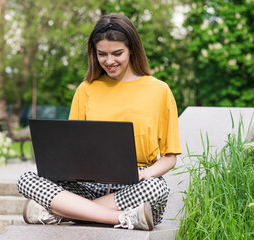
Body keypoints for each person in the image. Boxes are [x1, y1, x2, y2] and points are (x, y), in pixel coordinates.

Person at [17, 13, 182, 231]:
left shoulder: (159, 90)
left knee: (156, 188)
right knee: (26, 179)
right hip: (88, 185)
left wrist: (147, 173)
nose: (109, 61)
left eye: (117, 53)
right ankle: (123, 218)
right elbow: (72, 150)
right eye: (102, 54)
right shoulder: (86, 89)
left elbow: (169, 158)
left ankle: (64, 213)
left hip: (135, 187)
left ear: (132, 49)